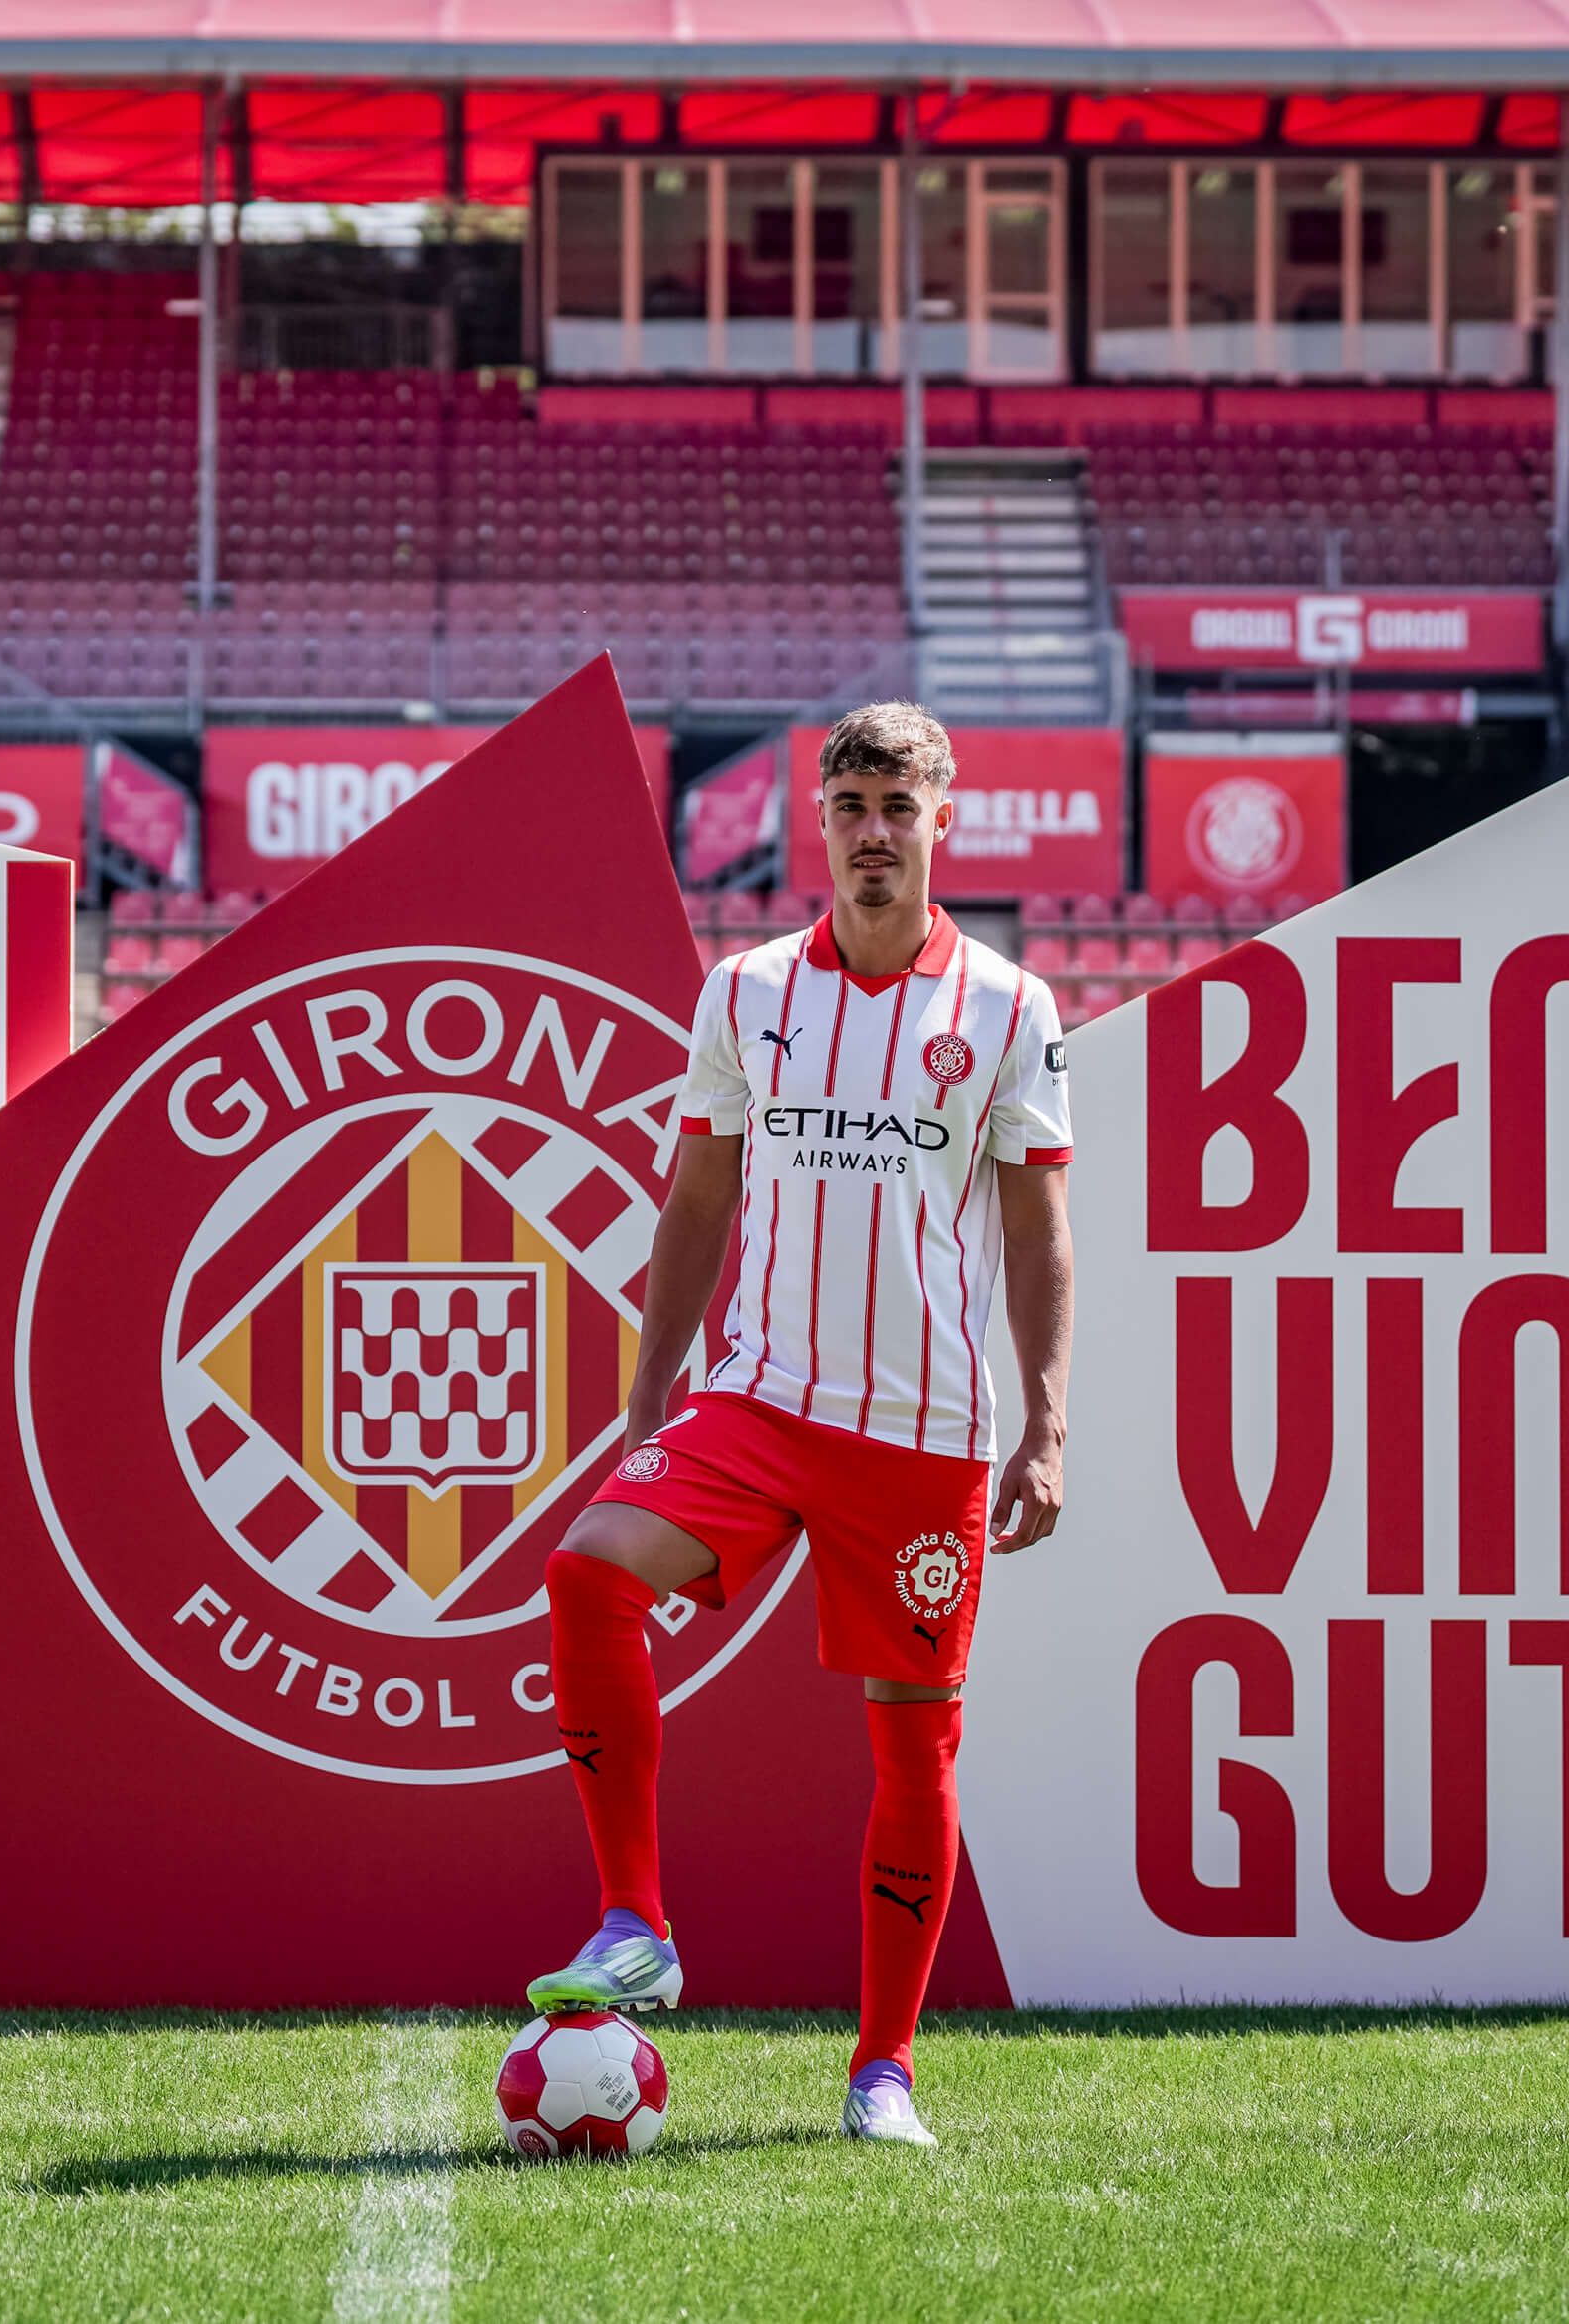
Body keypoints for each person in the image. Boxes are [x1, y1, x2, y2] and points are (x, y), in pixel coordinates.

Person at [526, 701, 1075, 2148]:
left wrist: (1049, 1420)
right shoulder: (747, 991)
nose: (876, 831)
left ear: (943, 819)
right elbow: (698, 1193)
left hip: (923, 1433)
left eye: (901, 805)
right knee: (587, 1569)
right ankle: (636, 1919)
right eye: (852, 805)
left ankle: (882, 2068)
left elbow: (1040, 1231)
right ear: (817, 822)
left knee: (912, 1754)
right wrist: (653, 1392)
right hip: (759, 1399)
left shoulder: (1011, 1008)